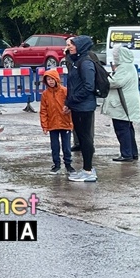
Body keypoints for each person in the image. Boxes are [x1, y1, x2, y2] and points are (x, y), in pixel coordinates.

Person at [64, 35, 98, 182]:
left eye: (71, 45)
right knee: (83, 138)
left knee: (85, 139)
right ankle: (86, 169)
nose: (68, 47)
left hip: (84, 107)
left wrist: (71, 101)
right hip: (78, 106)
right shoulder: (77, 61)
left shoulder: (85, 63)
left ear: (80, 46)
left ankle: (88, 171)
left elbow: (88, 87)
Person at [103, 45, 140, 161]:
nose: (115, 57)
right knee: (128, 128)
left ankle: (126, 154)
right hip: (128, 102)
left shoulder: (124, 67)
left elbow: (116, 82)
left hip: (123, 103)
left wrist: (105, 78)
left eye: (116, 55)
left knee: (121, 128)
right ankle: (132, 153)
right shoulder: (129, 66)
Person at [39, 68, 76, 175]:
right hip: (52, 124)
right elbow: (43, 110)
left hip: (65, 123)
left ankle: (68, 164)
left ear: (56, 79)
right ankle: (56, 164)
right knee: (54, 146)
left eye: (52, 79)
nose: (50, 81)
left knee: (66, 146)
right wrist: (44, 125)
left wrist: (69, 111)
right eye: (48, 79)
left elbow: (71, 104)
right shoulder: (45, 94)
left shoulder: (64, 91)